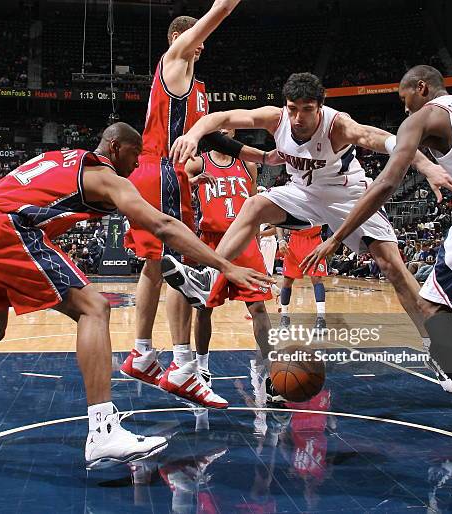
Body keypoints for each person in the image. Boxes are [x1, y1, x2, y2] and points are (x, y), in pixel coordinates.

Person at [0, 123, 269, 469]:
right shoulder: (103, 175)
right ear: (116, 147)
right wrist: (226, 266)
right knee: (94, 307)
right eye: (134, 154)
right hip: (2, 227)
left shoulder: (63, 158)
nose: (137, 162)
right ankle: (103, 431)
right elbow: (163, 224)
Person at [162, 72, 452, 393]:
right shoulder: (276, 119)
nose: (297, 117)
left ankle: (436, 348)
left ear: (319, 107)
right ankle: (210, 274)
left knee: (393, 267)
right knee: (253, 206)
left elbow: (383, 139)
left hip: (348, 195)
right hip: (303, 193)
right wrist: (193, 135)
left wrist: (425, 165)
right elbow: (220, 117)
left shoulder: (338, 125)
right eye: (292, 108)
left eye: (306, 109)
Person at [300, 65, 452, 482]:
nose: (403, 106)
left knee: (430, 304)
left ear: (421, 88)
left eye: (403, 98)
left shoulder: (426, 114)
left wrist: (337, 236)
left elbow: (386, 183)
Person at [121, 0, 275, 409]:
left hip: (161, 174)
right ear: (177, 38)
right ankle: (184, 366)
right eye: (195, 39)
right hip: (162, 170)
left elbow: (211, 137)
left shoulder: (195, 91)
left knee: (156, 265)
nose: (202, 46)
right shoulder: (173, 60)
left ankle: (142, 353)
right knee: (180, 268)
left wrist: (262, 158)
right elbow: (219, 11)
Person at [185, 128, 272, 387]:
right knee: (203, 307)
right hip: (212, 243)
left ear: (233, 132)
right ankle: (202, 368)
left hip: (244, 243)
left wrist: (256, 241)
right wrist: (191, 182)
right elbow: (175, 184)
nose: (224, 133)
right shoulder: (198, 162)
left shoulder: (247, 164)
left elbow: (255, 203)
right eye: (218, 131)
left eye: (227, 130)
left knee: (258, 307)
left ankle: (269, 371)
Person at [276, 226, 328, 331]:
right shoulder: (290, 208)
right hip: (294, 240)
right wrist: (281, 240)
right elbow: (279, 223)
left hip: (314, 240)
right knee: (287, 281)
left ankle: (321, 319)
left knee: (316, 278)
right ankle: (284, 317)